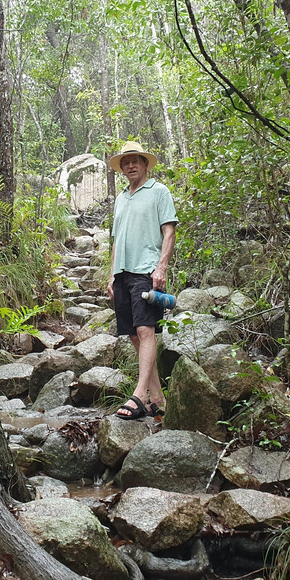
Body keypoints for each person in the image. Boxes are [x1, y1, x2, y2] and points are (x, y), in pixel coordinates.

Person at [106, 140, 178, 420]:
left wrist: (161, 268)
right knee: (134, 335)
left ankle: (139, 396)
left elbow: (169, 232)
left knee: (146, 331)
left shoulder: (159, 191)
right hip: (122, 273)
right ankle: (157, 399)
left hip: (146, 271)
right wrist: (111, 275)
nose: (130, 165)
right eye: (126, 162)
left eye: (135, 160)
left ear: (145, 164)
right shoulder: (121, 199)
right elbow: (116, 240)